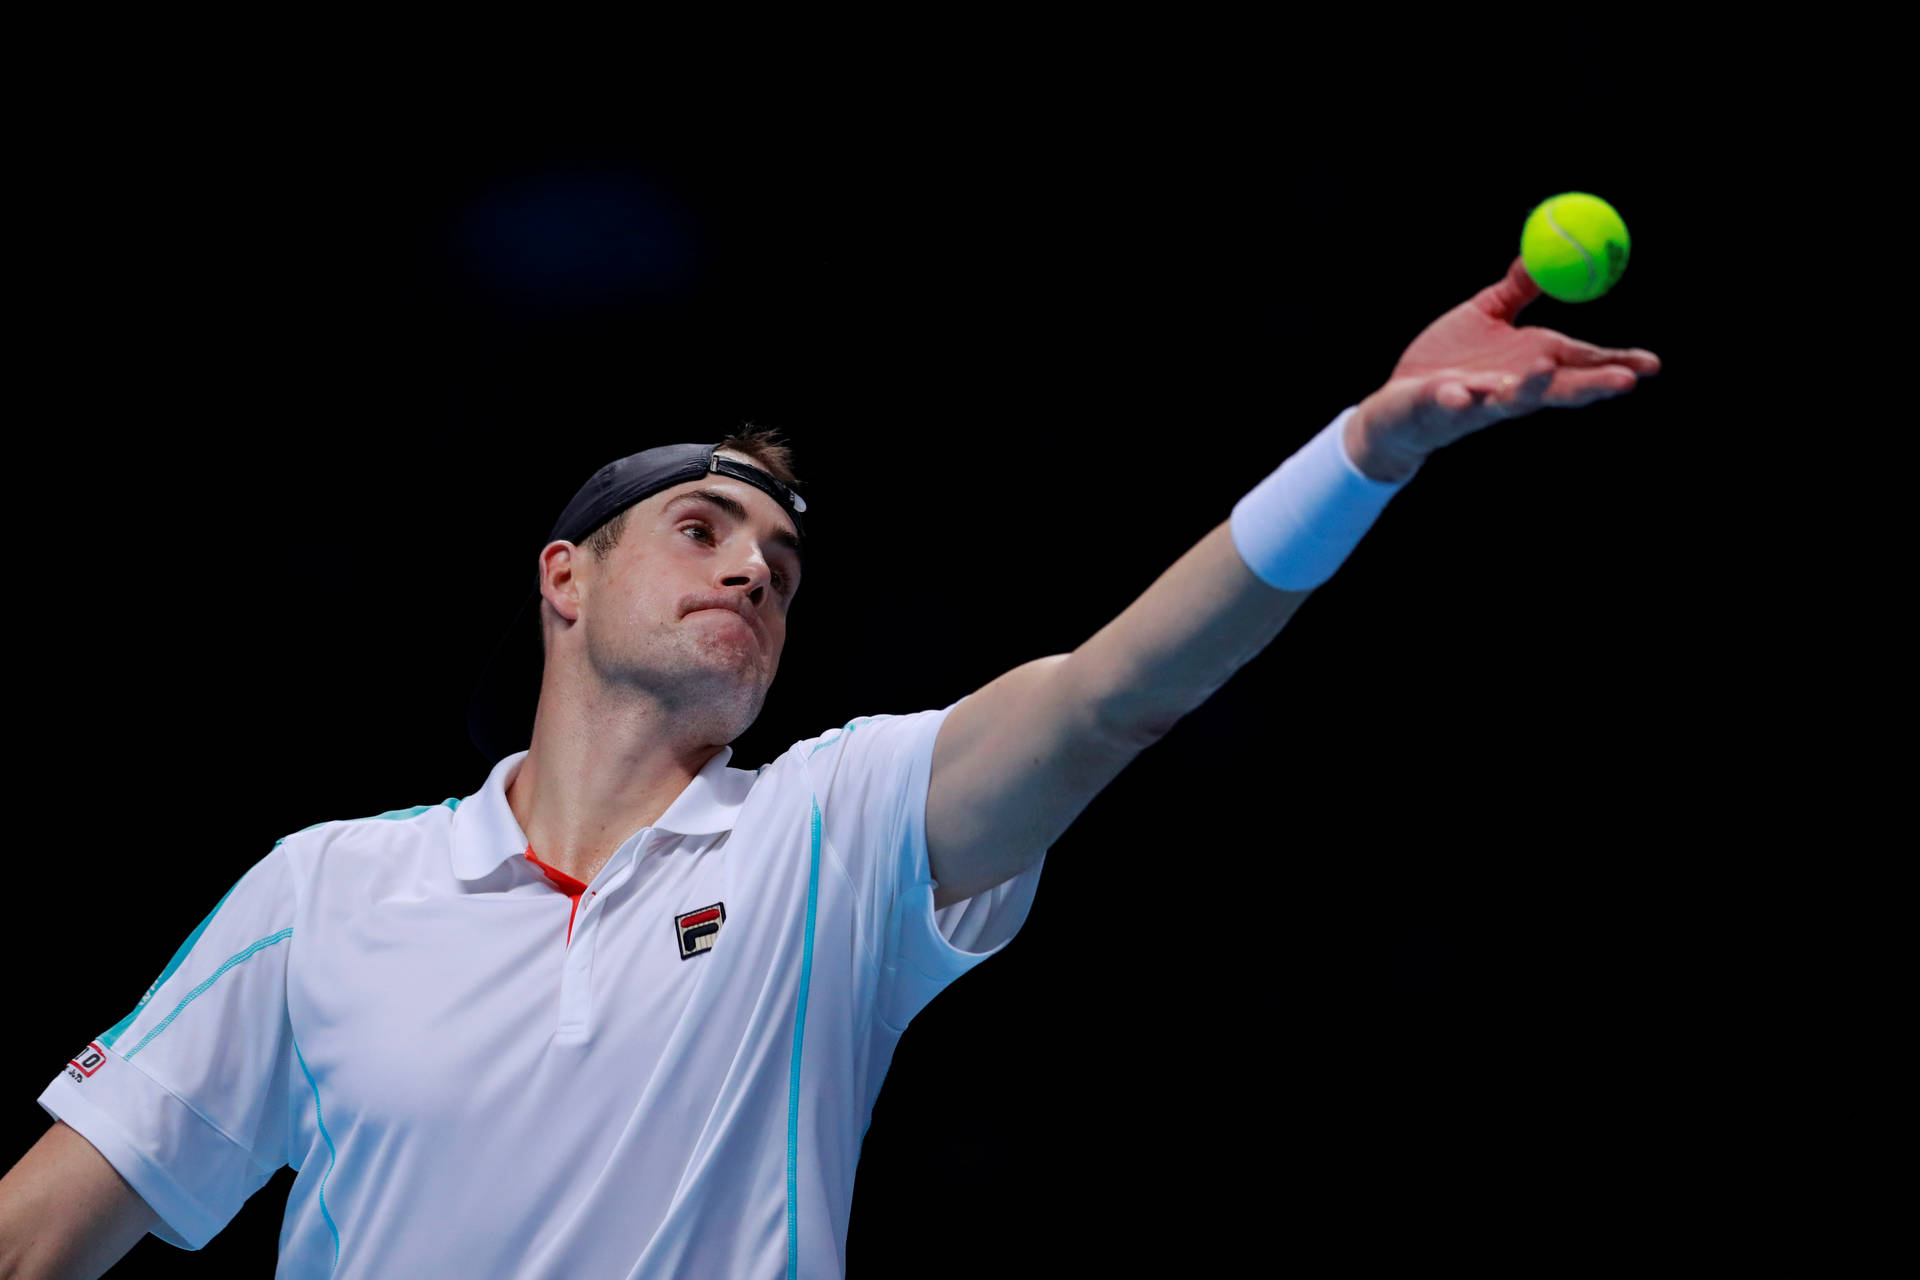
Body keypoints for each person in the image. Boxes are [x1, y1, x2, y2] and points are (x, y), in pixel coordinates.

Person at [0, 255, 1657, 1278]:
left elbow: (1106, 698)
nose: (750, 572)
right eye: (703, 529)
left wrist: (1364, 451)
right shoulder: (329, 889)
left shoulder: (828, 832)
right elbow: (45, 1231)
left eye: (782, 569)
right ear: (563, 579)